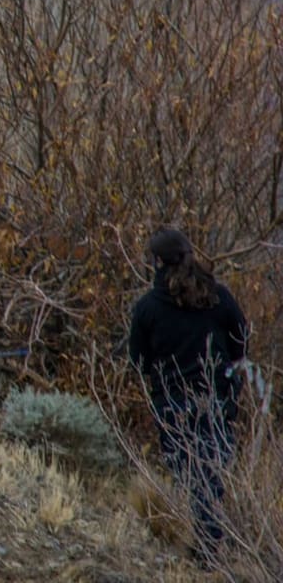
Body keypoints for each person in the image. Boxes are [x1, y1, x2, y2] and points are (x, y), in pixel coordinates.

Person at [129, 228, 248, 561]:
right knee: (212, 473)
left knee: (190, 475)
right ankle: (212, 547)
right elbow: (241, 339)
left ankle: (206, 550)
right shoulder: (218, 296)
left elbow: (138, 361)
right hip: (217, 398)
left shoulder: (148, 307)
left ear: (157, 262)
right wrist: (227, 373)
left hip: (173, 403)